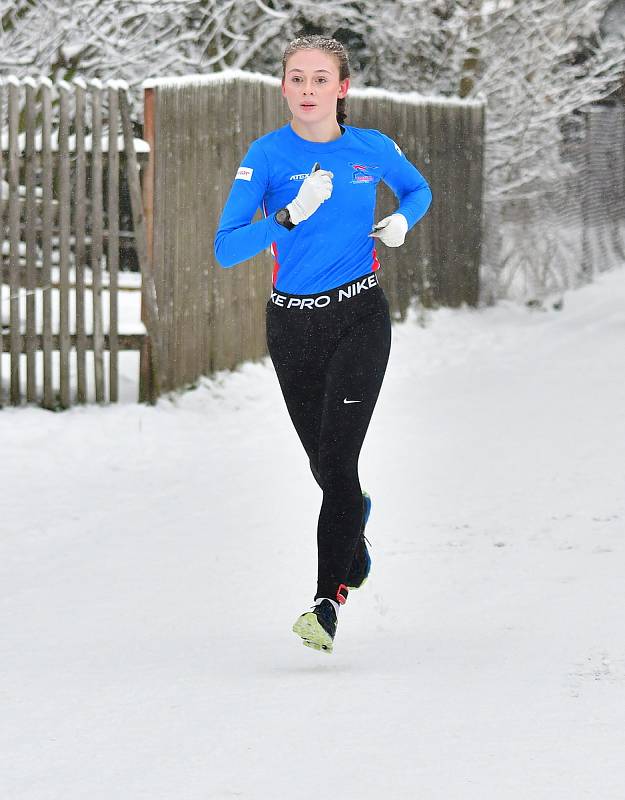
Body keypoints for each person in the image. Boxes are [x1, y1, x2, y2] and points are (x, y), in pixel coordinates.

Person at [214, 34, 432, 654]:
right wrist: (286, 217)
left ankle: (325, 603)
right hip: (291, 326)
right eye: (295, 78)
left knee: (336, 462)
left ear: (341, 88)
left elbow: (419, 190)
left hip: (360, 316)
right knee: (327, 468)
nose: (306, 90)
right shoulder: (267, 155)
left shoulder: (372, 150)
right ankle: (352, 526)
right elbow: (226, 248)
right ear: (283, 85)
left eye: (319, 79)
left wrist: (401, 221)